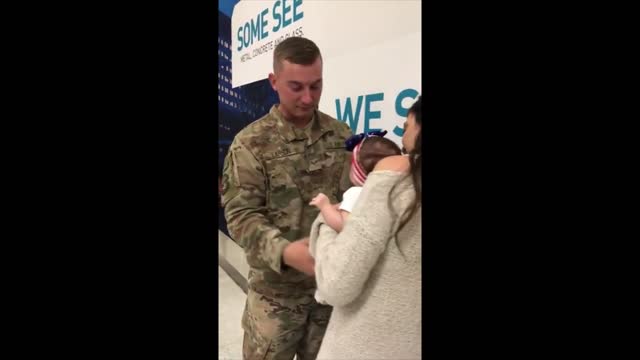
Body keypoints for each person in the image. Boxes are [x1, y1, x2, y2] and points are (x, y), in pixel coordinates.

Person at [221, 37, 353, 360]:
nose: (308, 98)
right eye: (296, 87)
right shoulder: (250, 144)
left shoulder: (341, 136)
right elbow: (241, 214)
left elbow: (352, 200)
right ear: (274, 81)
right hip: (274, 301)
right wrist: (284, 251)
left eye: (316, 86)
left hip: (328, 297)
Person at [309, 96, 423, 359]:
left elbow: (336, 283)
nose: (402, 138)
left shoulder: (394, 177)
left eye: (406, 126)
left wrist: (325, 223)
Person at [309, 131, 402, 233]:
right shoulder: (394, 193)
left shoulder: (356, 193)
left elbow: (345, 227)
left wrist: (325, 207)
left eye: (352, 164)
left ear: (358, 171)